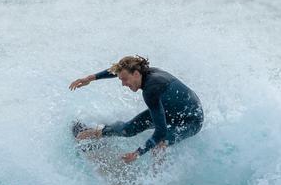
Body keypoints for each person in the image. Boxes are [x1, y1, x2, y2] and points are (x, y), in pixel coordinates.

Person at [69, 55, 204, 163]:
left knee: (160, 144)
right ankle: (94, 133)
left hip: (190, 120)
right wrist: (90, 78)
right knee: (128, 129)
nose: (123, 84)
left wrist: (138, 153)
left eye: (125, 80)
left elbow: (161, 131)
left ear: (136, 74)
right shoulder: (144, 73)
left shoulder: (151, 89)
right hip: (169, 110)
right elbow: (117, 71)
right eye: (121, 80)